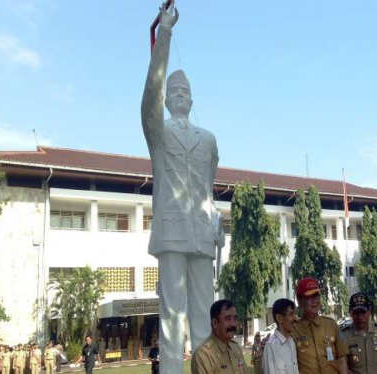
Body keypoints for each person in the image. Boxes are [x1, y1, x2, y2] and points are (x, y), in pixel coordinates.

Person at [141, 4, 225, 374]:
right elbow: (150, 93)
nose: (177, 93)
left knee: (204, 315)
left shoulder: (209, 140)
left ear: (191, 98)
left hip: (202, 235)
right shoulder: (158, 132)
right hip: (173, 230)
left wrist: (215, 217)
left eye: (183, 90)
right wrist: (166, 34)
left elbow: (207, 187)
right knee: (172, 316)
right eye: (172, 89)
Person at [292, 277, 348, 374]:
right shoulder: (294, 330)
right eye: (309, 297)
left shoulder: (331, 325)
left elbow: (341, 360)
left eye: (316, 296)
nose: (314, 301)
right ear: (299, 301)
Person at [340, 293, 377, 374]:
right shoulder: (344, 335)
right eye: (356, 313)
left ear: (370, 311)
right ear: (350, 312)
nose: (360, 317)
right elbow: (341, 364)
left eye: (363, 312)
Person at [191, 300, 246, 374]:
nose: (233, 324)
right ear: (214, 323)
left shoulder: (236, 348)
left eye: (235, 318)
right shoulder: (204, 354)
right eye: (228, 319)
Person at [263, 298, 299, 374]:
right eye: (291, 314)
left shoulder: (292, 342)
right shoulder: (271, 346)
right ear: (279, 318)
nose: (296, 318)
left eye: (295, 314)